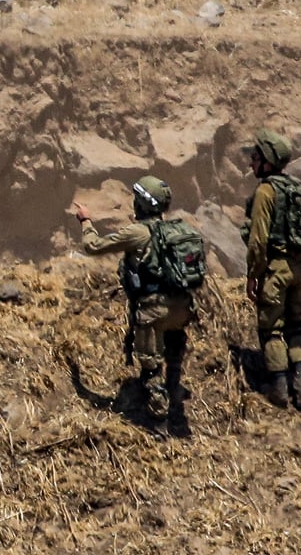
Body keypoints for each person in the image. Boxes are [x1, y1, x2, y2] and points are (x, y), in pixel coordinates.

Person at [74, 176, 195, 427]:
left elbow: (93, 246)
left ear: (141, 204)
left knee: (151, 368)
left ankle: (158, 424)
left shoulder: (137, 233)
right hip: (182, 309)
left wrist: (86, 221)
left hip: (154, 311)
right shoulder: (179, 230)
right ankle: (174, 393)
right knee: (172, 356)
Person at [242, 129, 301, 411]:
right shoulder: (297, 189)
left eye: (255, 157)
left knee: (271, 330)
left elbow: (258, 240)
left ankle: (280, 389)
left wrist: (253, 275)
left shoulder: (266, 191)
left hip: (277, 270)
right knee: (296, 326)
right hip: (300, 269)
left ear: (268, 162)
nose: (251, 163)